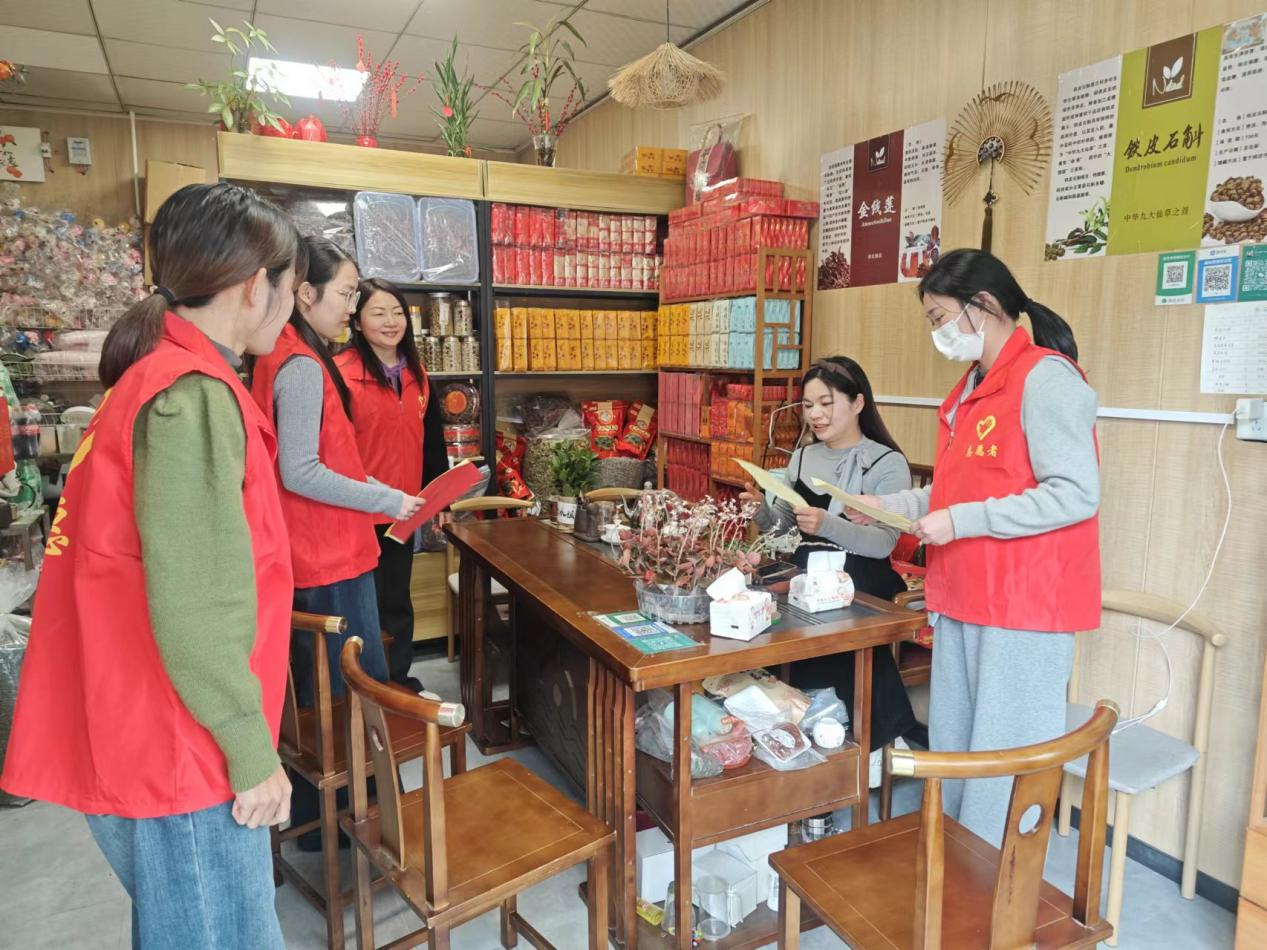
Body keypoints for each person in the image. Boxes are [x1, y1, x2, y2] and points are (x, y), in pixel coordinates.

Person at [1, 182, 301, 948]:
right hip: (181, 738)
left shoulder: (151, 376)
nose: (291, 307)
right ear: (253, 285)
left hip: (146, 715)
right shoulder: (190, 396)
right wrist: (248, 747)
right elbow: (196, 598)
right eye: (291, 286)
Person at [850, 248, 1101, 844]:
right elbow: (955, 490)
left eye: (940, 318)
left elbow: (1075, 494)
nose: (936, 332)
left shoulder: (1045, 379)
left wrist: (960, 522)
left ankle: (999, 879)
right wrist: (891, 505)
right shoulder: (970, 388)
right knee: (959, 746)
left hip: (1023, 605)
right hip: (964, 594)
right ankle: (959, 866)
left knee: (1005, 755)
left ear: (982, 306)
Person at [250, 237, 422, 849]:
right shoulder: (300, 364)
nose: (353, 307)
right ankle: (354, 829)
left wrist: (385, 493)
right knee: (351, 694)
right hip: (327, 555)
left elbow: (327, 461)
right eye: (347, 295)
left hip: (317, 548)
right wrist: (387, 500)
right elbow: (301, 470)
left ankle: (322, 826)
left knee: (322, 695)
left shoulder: (285, 351)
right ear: (305, 293)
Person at [744, 356, 918, 786]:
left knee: (833, 624)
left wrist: (827, 525)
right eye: (808, 406)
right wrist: (761, 512)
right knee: (767, 615)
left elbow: (883, 542)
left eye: (826, 403)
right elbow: (786, 529)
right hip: (807, 569)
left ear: (857, 403)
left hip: (862, 574)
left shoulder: (886, 462)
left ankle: (868, 741)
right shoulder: (804, 456)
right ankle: (794, 731)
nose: (816, 415)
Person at [335, 279, 447, 691]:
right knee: (363, 604)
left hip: (404, 510)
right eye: (378, 313)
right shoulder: (341, 374)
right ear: (357, 322)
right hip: (358, 508)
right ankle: (365, 687)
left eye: (398, 312)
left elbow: (432, 443)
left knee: (397, 600)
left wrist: (438, 500)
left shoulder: (417, 373)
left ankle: (399, 681)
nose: (391, 322)